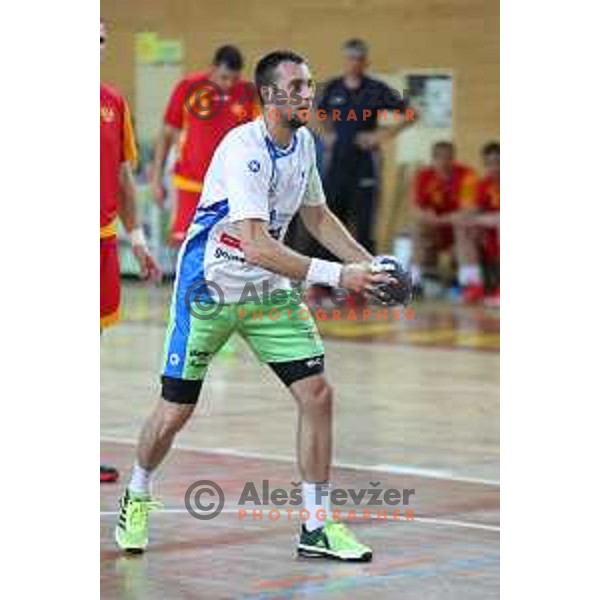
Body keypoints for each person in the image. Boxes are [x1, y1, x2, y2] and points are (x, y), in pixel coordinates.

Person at [115, 50, 400, 562]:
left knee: (317, 394)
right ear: (269, 96)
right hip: (212, 288)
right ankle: (137, 492)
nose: (309, 94)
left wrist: (370, 264)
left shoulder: (305, 142)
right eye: (298, 86)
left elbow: (317, 216)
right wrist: (342, 276)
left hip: (268, 290)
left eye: (311, 84)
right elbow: (257, 244)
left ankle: (316, 526)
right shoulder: (244, 149)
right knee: (176, 410)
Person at [100, 20, 161, 481]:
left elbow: (123, 178)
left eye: (101, 39)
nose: (97, 47)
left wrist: (137, 241)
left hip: (99, 245)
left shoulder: (112, 103)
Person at [151, 45, 257, 246]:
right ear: (213, 68)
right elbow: (166, 135)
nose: (228, 84)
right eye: (224, 77)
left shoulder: (247, 93)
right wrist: (156, 179)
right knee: (185, 243)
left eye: (234, 79)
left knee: (224, 245)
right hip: (190, 183)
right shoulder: (188, 88)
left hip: (229, 187)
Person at [317, 39, 416, 254]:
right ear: (344, 60)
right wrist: (327, 133)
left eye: (359, 59)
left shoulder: (377, 89)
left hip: (365, 166)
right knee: (332, 222)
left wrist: (382, 135)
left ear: (366, 62)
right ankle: (327, 283)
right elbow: (317, 113)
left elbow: (411, 114)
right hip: (336, 165)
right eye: (351, 58)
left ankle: (365, 281)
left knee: (364, 225)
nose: (355, 63)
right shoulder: (332, 87)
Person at [411, 141, 483, 303]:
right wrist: (427, 217)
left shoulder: (467, 175)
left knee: (463, 225)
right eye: (440, 158)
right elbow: (417, 210)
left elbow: (468, 210)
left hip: (460, 234)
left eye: (448, 158)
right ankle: (414, 281)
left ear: (453, 158)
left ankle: (470, 284)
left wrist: (440, 219)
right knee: (417, 227)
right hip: (436, 231)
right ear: (433, 159)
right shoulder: (424, 176)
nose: (444, 162)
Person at [472, 142, 500, 307]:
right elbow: (473, 213)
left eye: (498, 162)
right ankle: (472, 283)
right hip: (489, 233)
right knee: (468, 230)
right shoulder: (483, 185)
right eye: (490, 164)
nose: (495, 167)